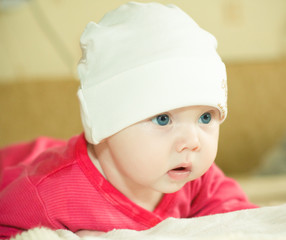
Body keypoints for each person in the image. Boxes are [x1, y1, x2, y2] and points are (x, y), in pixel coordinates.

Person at [0, 2, 257, 239]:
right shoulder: (47, 193)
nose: (192, 142)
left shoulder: (198, 179)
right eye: (163, 118)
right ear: (106, 122)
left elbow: (241, 222)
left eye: (205, 117)